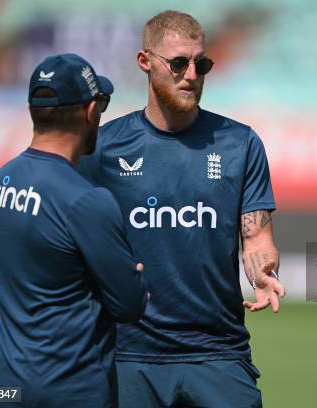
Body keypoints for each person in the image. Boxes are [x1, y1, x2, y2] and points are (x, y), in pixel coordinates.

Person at [78, 10, 285, 408]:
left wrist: (263, 273)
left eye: (201, 63)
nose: (191, 74)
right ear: (145, 62)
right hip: (128, 355)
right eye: (178, 63)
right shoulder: (102, 147)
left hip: (218, 354)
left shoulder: (240, 143)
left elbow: (257, 236)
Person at [0, 53, 149, 408]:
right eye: (101, 104)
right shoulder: (87, 201)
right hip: (73, 392)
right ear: (90, 112)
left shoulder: (0, 182)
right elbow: (131, 303)